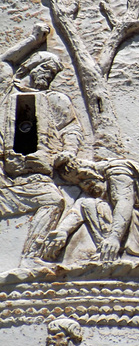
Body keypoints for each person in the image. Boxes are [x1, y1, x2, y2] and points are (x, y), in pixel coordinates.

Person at [0, 26, 82, 260]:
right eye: (46, 68)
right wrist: (33, 39)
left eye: (53, 73)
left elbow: (71, 129)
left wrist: (69, 151)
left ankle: (31, 258)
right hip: (3, 174)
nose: (49, 75)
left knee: (54, 201)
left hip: (35, 176)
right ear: (30, 66)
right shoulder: (7, 91)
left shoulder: (55, 100)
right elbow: (4, 61)